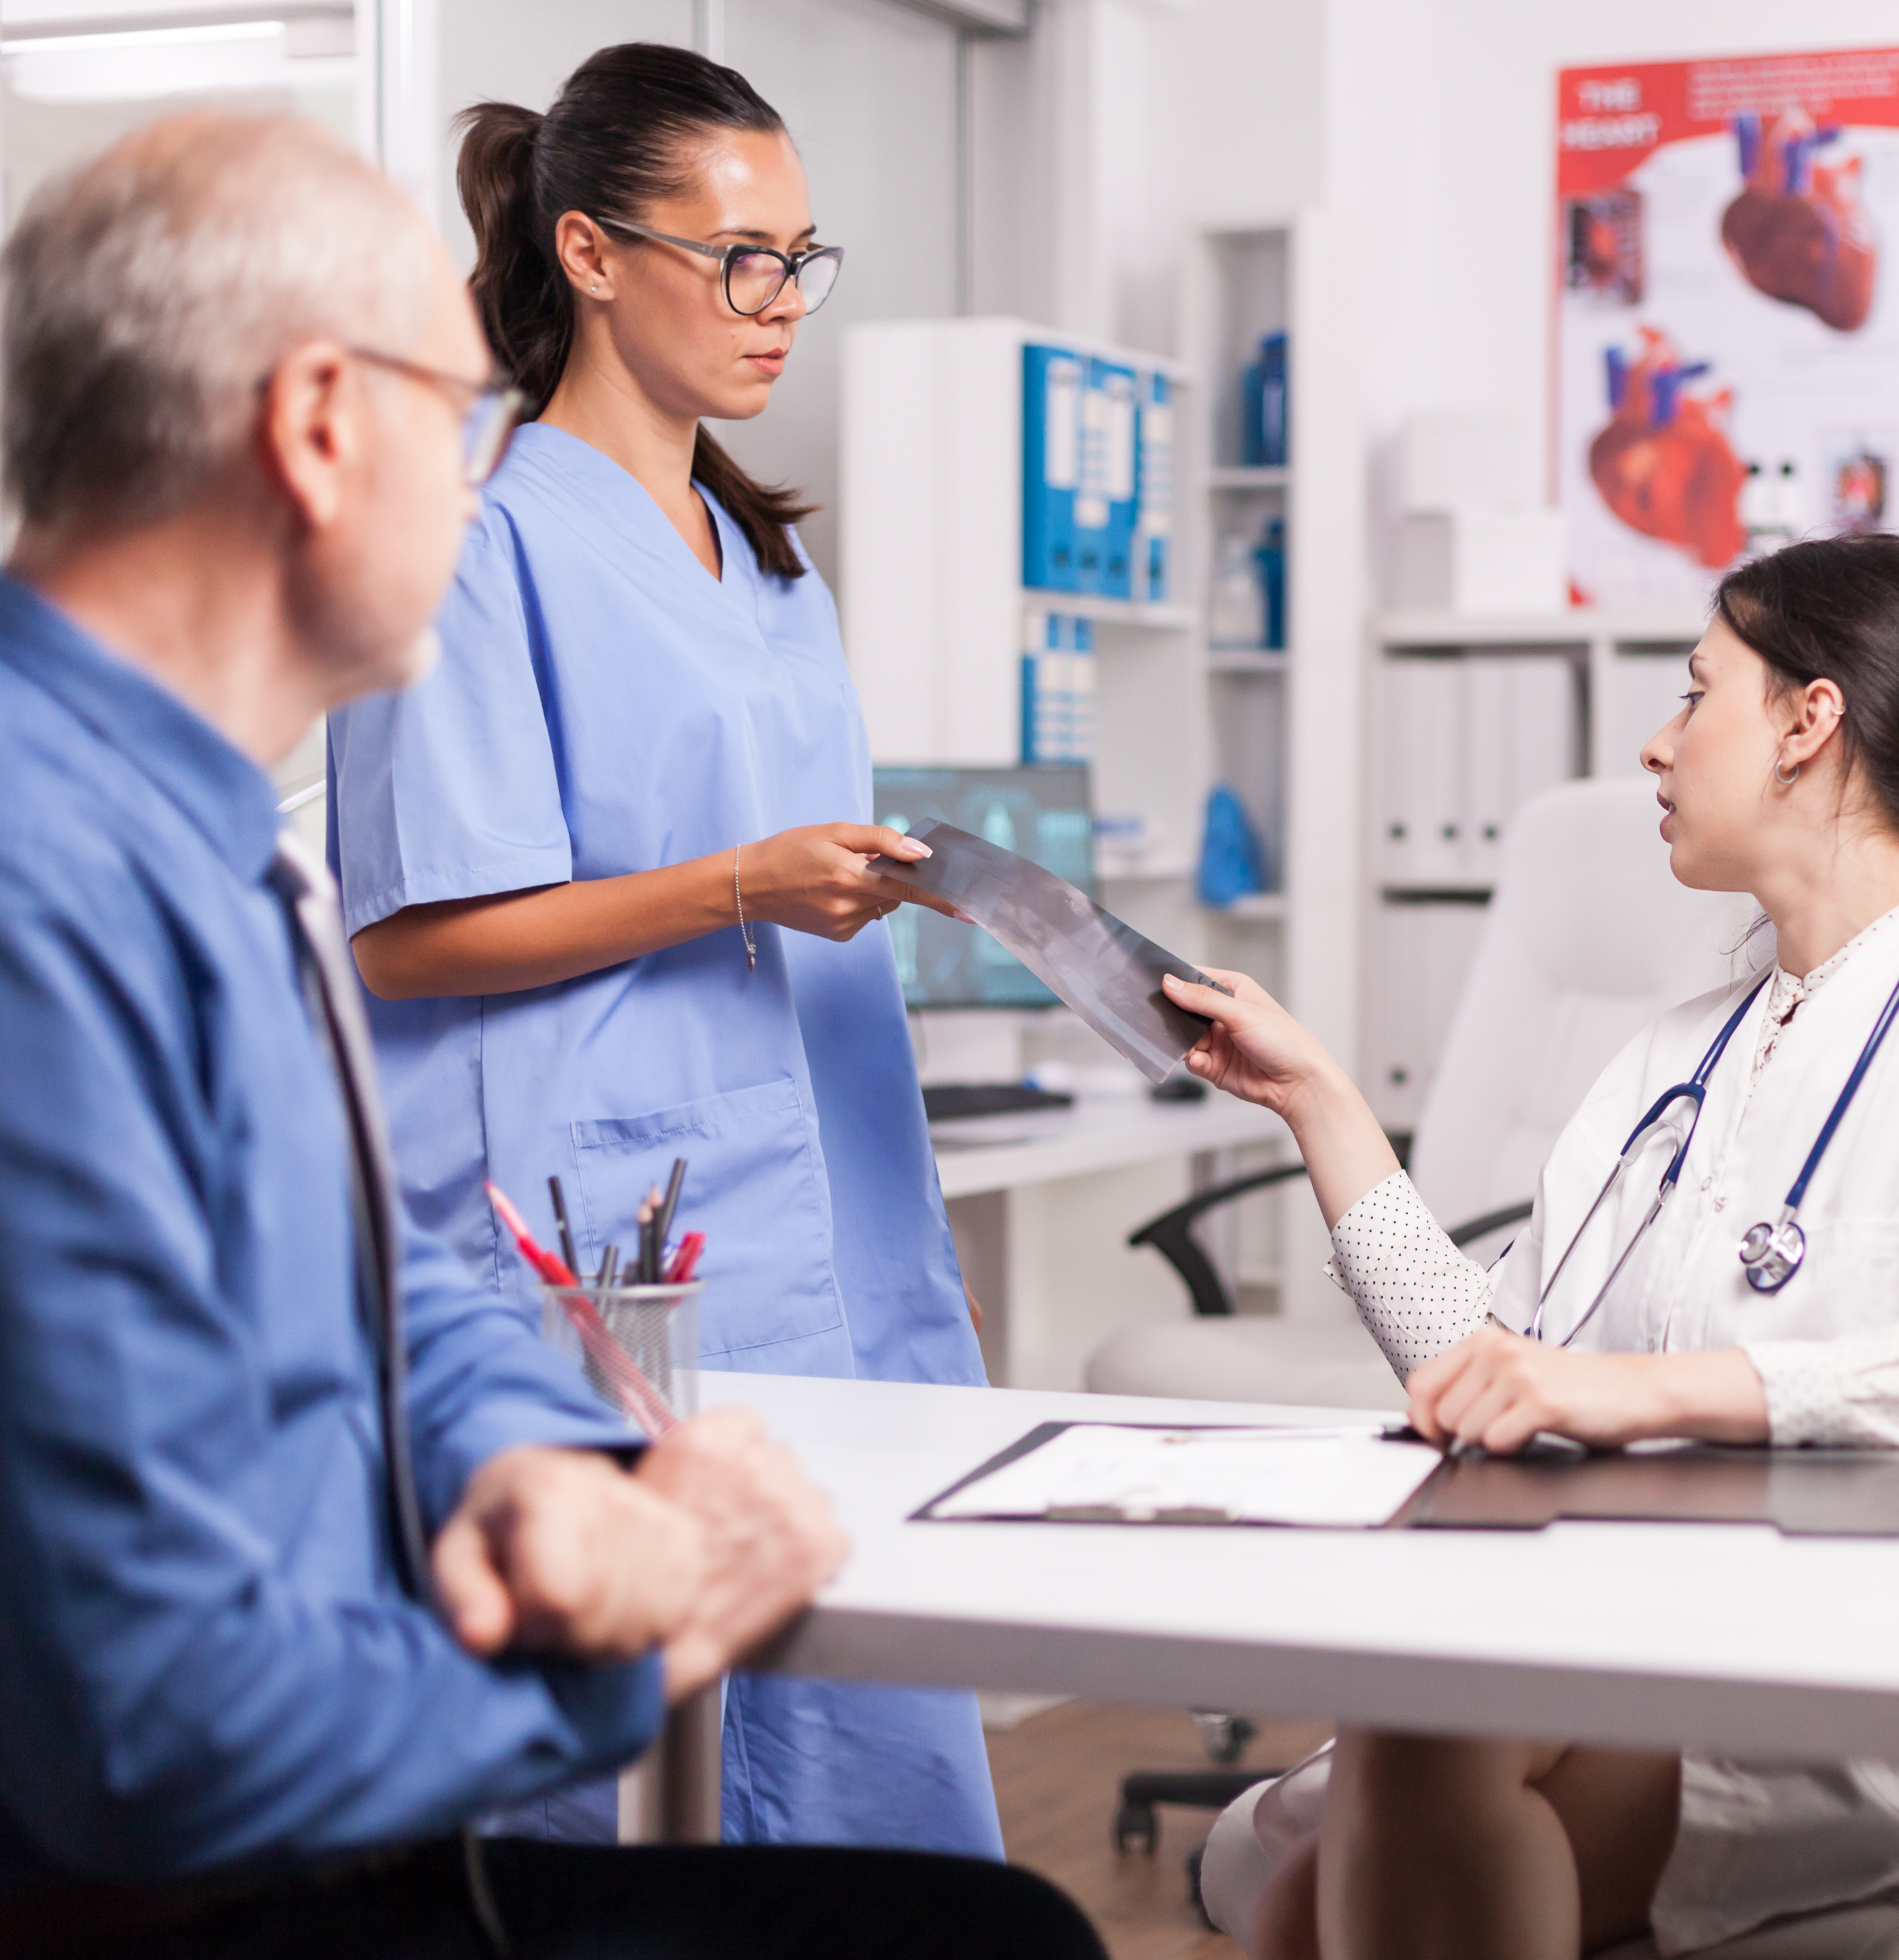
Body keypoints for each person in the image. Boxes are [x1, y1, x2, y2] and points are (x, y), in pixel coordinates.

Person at [0, 112, 1100, 1958]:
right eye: (464, 411)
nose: (484, 476)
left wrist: (539, 1455)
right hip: (204, 1861)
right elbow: (155, 1740)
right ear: (321, 428)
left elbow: (377, 1278)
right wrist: (645, 1637)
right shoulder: (51, 895)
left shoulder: (193, 849)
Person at [1185, 531, 1899, 1959]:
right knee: (1303, 1892)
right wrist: (1318, 1105)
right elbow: (1495, 1365)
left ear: (1806, 722)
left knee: (1355, 1828)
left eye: (1694, 693)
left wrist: (1661, 1390)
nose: (1656, 746)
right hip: (1609, 1629)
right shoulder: (1673, 1054)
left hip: (1826, 1665)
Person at [326, 44, 997, 1851]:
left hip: (831, 1226)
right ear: (595, 255)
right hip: (612, 1239)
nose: (783, 308)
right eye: (738, 260)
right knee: (642, 1806)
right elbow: (411, 939)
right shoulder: (471, 539)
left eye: (801, 259)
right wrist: (738, 883)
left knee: (876, 1776)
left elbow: (796, 920)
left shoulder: (772, 567)